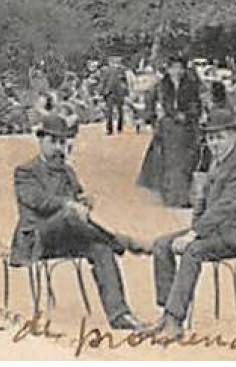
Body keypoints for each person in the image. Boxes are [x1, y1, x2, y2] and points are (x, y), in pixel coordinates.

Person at [12, 114, 147, 330]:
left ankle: (119, 314)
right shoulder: (26, 171)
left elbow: (77, 200)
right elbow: (39, 202)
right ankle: (120, 241)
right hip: (38, 238)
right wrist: (70, 205)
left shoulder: (67, 171)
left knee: (100, 249)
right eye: (53, 142)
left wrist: (84, 202)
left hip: (68, 237)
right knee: (68, 214)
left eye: (62, 143)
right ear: (41, 141)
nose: (58, 148)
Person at [145, 108, 236, 339]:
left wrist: (194, 234)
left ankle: (174, 321)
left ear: (233, 136)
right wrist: (194, 227)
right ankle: (166, 311)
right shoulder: (217, 163)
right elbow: (202, 203)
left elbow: (226, 207)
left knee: (193, 251)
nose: (214, 143)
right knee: (162, 245)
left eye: (220, 137)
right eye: (211, 138)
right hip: (216, 230)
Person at [137, 54, 203, 207]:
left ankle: (184, 197)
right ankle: (172, 197)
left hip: (187, 128)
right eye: (173, 68)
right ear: (168, 69)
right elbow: (152, 101)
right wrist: (153, 118)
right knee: (169, 163)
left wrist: (189, 115)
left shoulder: (191, 84)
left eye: (179, 68)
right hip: (168, 128)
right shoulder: (161, 85)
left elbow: (197, 104)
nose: (176, 71)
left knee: (187, 162)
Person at [99, 56, 130, 135]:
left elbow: (125, 81)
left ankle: (116, 128)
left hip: (115, 92)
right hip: (112, 93)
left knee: (117, 111)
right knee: (112, 111)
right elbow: (103, 81)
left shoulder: (121, 70)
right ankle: (113, 129)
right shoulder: (108, 70)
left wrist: (102, 91)